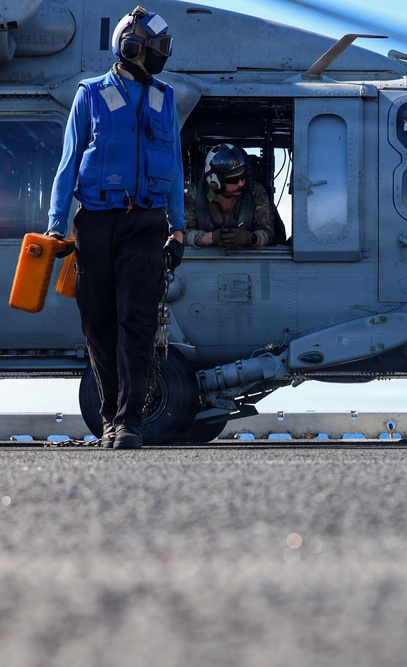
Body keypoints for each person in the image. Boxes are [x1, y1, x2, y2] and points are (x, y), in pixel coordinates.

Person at [45, 6, 185, 450]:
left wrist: (177, 229)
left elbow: (176, 169)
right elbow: (67, 165)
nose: (161, 56)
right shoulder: (90, 94)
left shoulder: (165, 98)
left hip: (146, 224)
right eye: (155, 49)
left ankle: (129, 423)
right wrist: (55, 225)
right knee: (99, 325)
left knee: (137, 322)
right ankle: (109, 417)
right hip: (96, 223)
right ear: (129, 48)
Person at [184, 143, 275, 248]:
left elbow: (269, 233)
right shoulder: (196, 193)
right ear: (215, 181)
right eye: (233, 180)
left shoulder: (255, 192)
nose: (241, 183)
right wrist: (212, 238)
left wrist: (250, 238)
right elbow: (182, 234)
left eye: (243, 177)